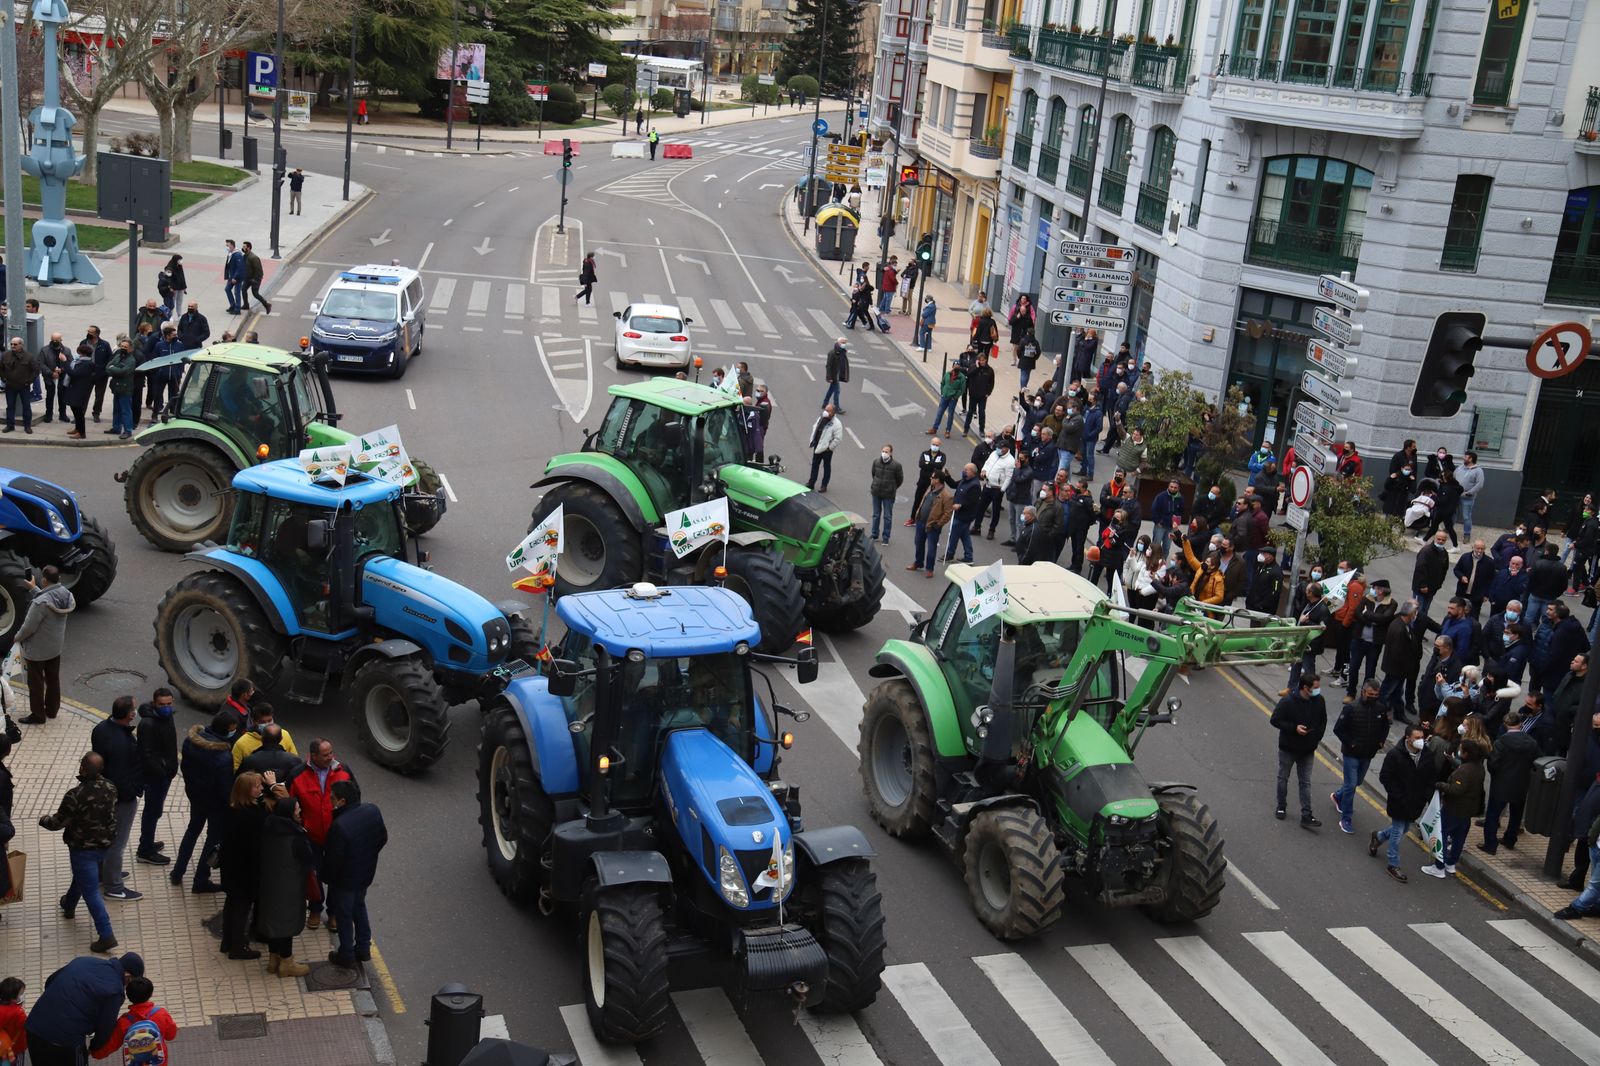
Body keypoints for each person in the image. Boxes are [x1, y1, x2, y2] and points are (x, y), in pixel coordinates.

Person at [39, 753, 120, 953]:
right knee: (84, 877)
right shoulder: (111, 787)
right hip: (105, 845)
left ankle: (106, 935)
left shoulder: (75, 794)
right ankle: (69, 904)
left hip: (83, 849)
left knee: (91, 891)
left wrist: (44, 820)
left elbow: (59, 822)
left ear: (83, 769)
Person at [23, 953, 144, 1065]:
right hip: (65, 1042)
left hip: (34, 1027)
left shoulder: (83, 961)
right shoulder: (115, 991)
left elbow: (49, 981)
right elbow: (105, 1028)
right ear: (127, 975)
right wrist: (94, 1047)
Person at [322, 779, 388, 968]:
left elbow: (334, 860)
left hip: (345, 880)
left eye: (332, 798)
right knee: (359, 907)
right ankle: (363, 947)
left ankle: (346, 954)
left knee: (344, 916)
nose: (330, 800)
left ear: (342, 801)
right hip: (365, 874)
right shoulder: (372, 810)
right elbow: (382, 838)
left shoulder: (339, 826)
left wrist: (327, 878)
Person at [170, 710, 235, 893]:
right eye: (232, 729)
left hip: (196, 796)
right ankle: (201, 879)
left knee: (192, 831)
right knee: (213, 839)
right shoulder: (223, 756)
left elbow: (185, 768)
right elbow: (225, 787)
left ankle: (178, 872)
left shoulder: (191, 741)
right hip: (215, 804)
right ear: (225, 731)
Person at [1368, 724, 1437, 883]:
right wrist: (1398, 795)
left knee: (1405, 828)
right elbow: (1385, 777)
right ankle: (1393, 864)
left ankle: (1378, 837)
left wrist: (1426, 796)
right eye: (1417, 738)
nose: (1421, 741)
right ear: (1408, 739)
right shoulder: (1395, 755)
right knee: (1398, 832)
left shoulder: (1427, 755)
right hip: (1399, 802)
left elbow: (1430, 778)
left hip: (1415, 803)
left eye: (1422, 738)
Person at [90, 696, 143, 901]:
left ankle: (103, 874)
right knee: (117, 844)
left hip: (103, 793)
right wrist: (132, 793)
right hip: (121, 798)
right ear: (130, 714)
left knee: (106, 836)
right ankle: (113, 886)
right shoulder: (121, 742)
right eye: (134, 709)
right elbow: (122, 776)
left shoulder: (101, 729)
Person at [258, 795, 315, 977]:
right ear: (290, 813)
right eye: (297, 809)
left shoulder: (267, 828)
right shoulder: (296, 837)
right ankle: (286, 963)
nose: (299, 812)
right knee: (286, 924)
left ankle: (273, 959)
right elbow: (308, 859)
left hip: (268, 883)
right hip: (289, 886)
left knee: (274, 921)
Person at [15, 568, 75, 724]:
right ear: (59, 577)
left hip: (37, 650)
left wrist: (16, 638)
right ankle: (52, 710)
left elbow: (28, 628)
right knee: (53, 679)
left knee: (35, 684)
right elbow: (49, 597)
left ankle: (38, 715)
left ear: (44, 580)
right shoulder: (66, 594)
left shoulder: (39, 603)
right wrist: (34, 588)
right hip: (55, 647)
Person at [221, 772, 269, 960]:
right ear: (247, 790)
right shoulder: (253, 816)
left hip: (231, 867)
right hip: (245, 870)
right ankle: (238, 946)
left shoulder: (232, 808)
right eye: (257, 786)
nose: (261, 788)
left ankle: (228, 940)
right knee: (242, 906)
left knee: (232, 903)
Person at [1479, 710, 1540, 855]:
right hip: (1521, 784)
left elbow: (1493, 765)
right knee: (1515, 815)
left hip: (1501, 784)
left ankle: (1490, 844)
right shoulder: (1531, 742)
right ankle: (1510, 839)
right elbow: (1538, 760)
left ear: (1506, 724)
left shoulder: (1501, 742)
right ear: (1521, 724)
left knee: (1493, 816)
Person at [1332, 681, 1390, 833]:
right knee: (1351, 785)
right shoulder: (1351, 708)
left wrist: (1381, 741)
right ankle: (1346, 818)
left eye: (1376, 695)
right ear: (1363, 692)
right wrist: (1350, 743)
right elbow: (1338, 729)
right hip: (1351, 754)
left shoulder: (1381, 708)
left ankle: (1338, 796)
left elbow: (1385, 726)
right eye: (1370, 695)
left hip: (1368, 753)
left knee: (1357, 782)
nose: (1373, 698)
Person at [1271, 671, 1327, 828]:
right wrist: (1294, 728)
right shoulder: (1288, 701)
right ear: (1305, 688)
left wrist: (1316, 738)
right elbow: (1275, 720)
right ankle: (1281, 806)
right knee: (1283, 778)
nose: (1318, 690)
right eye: (1315, 687)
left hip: (1308, 749)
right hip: (1289, 748)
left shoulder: (1319, 701)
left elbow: (1323, 721)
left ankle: (1306, 815)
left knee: (1305, 782)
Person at [1425, 737, 1486, 878]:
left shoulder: (1464, 771)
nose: (1459, 750)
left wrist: (1440, 785)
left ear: (1466, 754)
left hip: (1454, 808)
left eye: (1461, 749)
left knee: (1443, 834)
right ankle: (1451, 863)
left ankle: (1439, 866)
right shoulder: (1478, 767)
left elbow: (1456, 790)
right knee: (1459, 838)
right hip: (1468, 809)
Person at [134, 688, 178, 868]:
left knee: (155, 811)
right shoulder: (148, 724)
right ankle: (145, 851)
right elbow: (146, 754)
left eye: (169, 704)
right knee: (152, 811)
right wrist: (163, 770)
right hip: (155, 776)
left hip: (164, 773)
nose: (166, 707)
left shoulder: (167, 717)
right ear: (154, 703)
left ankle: (147, 842)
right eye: (162, 704)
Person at [89, 974, 177, 1062]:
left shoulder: (124, 1021)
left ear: (129, 996)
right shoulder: (161, 1013)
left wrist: (95, 1053)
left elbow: (112, 1044)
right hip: (157, 1061)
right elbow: (170, 1036)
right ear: (151, 994)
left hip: (134, 1062)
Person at [1346, 580, 1396, 698]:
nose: (1372, 589)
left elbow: (1384, 618)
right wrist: (1372, 621)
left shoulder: (1392, 603)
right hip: (1359, 639)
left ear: (1382, 590)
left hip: (1374, 643)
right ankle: (1351, 692)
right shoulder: (1367, 598)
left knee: (1370, 670)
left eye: (1375, 588)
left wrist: (1367, 613)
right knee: (1353, 666)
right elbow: (1357, 613)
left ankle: (1366, 693)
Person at [909, 473, 953, 578]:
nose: (930, 478)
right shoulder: (930, 489)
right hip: (921, 522)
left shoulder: (947, 496)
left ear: (938, 480)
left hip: (932, 526)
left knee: (931, 548)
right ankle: (918, 563)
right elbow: (923, 502)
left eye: (932, 477)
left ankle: (929, 569)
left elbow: (948, 514)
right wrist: (918, 514)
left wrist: (938, 525)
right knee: (918, 543)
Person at [231, 702, 298, 771]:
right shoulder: (241, 743)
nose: (267, 725)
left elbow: (294, 758)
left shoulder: (285, 734)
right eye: (262, 722)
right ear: (253, 721)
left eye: (269, 720)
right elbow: (235, 768)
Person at [944, 464, 981, 565]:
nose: (964, 471)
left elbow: (973, 502)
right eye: (964, 469)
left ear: (973, 472)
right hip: (959, 513)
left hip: (964, 515)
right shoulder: (964, 480)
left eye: (966, 470)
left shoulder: (975, 486)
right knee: (964, 535)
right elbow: (953, 485)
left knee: (954, 534)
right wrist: (947, 476)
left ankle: (949, 555)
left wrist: (961, 505)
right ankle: (969, 557)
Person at [868, 444, 903, 545]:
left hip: (888, 495)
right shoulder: (876, 462)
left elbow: (899, 480)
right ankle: (874, 534)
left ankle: (886, 537)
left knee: (887, 516)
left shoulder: (896, 465)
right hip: (876, 492)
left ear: (891, 453)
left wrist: (892, 488)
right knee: (876, 515)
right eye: (883, 451)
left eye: (886, 452)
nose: (884, 453)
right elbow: (873, 474)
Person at [907, 439, 948, 525]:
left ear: (940, 445)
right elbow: (921, 464)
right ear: (930, 444)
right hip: (922, 482)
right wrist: (933, 465)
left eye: (937, 445)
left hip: (935, 485)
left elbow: (940, 466)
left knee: (932, 503)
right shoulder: (924, 453)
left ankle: (928, 520)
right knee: (917, 500)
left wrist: (928, 463)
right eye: (933, 444)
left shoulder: (942, 455)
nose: (935, 446)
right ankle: (913, 518)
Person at [804, 404, 843, 493]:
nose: (825, 412)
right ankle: (811, 482)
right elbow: (815, 428)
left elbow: (838, 438)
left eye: (828, 410)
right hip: (818, 446)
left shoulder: (836, 424)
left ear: (833, 413)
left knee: (826, 466)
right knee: (815, 464)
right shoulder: (821, 418)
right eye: (825, 409)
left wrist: (829, 448)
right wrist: (813, 440)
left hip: (826, 450)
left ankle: (824, 485)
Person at [60, 341, 95, 439]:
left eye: (79, 353)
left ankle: (82, 433)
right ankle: (77, 428)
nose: (78, 355)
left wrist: (64, 361)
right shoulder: (80, 362)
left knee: (79, 412)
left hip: (80, 390)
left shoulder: (86, 364)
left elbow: (74, 374)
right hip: (75, 388)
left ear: (83, 353)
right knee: (75, 410)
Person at [1412, 530, 1451, 618]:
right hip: (1421, 589)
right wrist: (1422, 585)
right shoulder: (1426, 551)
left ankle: (1419, 629)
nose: (1440, 541)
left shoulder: (1444, 553)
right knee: (1416, 611)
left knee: (1424, 611)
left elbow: (1444, 570)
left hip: (1432, 589)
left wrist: (1438, 585)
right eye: (1439, 539)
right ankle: (1413, 630)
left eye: (1443, 540)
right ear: (1435, 538)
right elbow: (1420, 568)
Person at [104, 336, 137, 440]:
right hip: (116, 388)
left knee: (126, 410)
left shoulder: (131, 360)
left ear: (130, 348)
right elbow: (107, 368)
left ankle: (128, 430)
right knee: (116, 409)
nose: (123, 348)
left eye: (125, 347)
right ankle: (116, 427)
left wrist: (113, 368)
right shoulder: (118, 356)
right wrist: (115, 369)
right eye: (122, 346)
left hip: (125, 389)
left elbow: (123, 372)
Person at [34, 332, 70, 425]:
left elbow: (71, 363)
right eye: (53, 340)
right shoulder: (44, 350)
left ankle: (63, 414)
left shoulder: (66, 350)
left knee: (62, 396)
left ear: (61, 340)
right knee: (50, 396)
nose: (55, 342)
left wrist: (62, 369)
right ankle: (48, 414)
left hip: (62, 377)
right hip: (49, 377)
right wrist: (51, 373)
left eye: (57, 340)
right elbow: (40, 363)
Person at [1, 336, 33, 434]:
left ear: (21, 345)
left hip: (24, 386)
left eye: (15, 344)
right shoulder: (6, 355)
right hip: (10, 386)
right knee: (10, 406)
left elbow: (35, 371)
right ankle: (10, 425)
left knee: (26, 406)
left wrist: (29, 381)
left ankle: (27, 426)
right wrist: (4, 378)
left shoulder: (28, 356)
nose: (12, 346)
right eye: (11, 344)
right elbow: (1, 368)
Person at [962, 353, 994, 434]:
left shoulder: (990, 370)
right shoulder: (973, 367)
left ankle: (981, 430)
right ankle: (966, 429)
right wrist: (976, 367)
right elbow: (969, 375)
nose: (981, 362)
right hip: (973, 394)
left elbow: (991, 383)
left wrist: (988, 393)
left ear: (986, 360)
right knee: (970, 412)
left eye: (983, 360)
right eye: (980, 360)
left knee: (982, 413)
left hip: (983, 396)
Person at [929, 362, 965, 436]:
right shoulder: (947, 374)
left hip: (952, 399)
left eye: (958, 366)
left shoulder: (962, 377)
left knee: (950, 415)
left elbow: (962, 390)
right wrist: (942, 392)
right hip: (944, 397)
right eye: (955, 365)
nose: (956, 367)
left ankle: (948, 431)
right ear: (952, 366)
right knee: (939, 413)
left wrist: (955, 397)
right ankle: (934, 428)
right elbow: (942, 383)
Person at [0, 977, 24, 1066]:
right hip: (16, 1046)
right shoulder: (18, 1013)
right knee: (17, 1062)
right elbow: (24, 1026)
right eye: (20, 994)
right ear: (13, 998)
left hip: (3, 1045)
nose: (21, 996)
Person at [241, 241, 271, 313]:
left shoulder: (254, 257)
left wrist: (255, 280)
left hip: (255, 279)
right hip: (248, 278)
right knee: (243, 289)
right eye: (243, 246)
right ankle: (246, 305)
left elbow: (259, 270)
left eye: (244, 247)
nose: (243, 248)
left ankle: (267, 305)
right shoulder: (245, 256)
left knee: (255, 294)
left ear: (248, 248)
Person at [822, 339, 849, 411]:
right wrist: (829, 377)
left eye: (845, 343)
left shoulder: (842, 351)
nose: (844, 344)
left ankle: (825, 403)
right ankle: (836, 407)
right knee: (837, 391)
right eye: (843, 343)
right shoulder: (832, 353)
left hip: (838, 375)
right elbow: (829, 366)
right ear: (838, 343)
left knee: (831, 390)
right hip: (834, 376)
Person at [223, 239, 246, 314]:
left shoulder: (237, 254)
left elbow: (240, 268)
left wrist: (235, 278)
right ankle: (233, 305)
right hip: (232, 276)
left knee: (237, 292)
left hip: (237, 277)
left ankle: (237, 309)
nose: (227, 247)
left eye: (228, 245)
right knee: (227, 289)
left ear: (232, 245)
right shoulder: (231, 253)